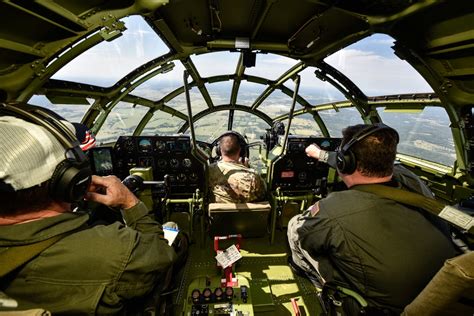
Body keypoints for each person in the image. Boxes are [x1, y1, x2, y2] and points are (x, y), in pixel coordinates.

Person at [0, 111, 177, 314]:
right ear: (69, 181)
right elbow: (161, 254)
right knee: (172, 230)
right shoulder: (114, 249)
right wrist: (129, 202)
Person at [287, 123, 458, 313]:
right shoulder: (412, 180)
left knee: (295, 226)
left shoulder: (332, 212)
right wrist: (321, 155)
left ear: (347, 162)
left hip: (381, 309)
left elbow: (306, 235)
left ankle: (315, 282)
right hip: (440, 298)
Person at [208, 132, 266, 203]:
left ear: (219, 150)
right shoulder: (253, 178)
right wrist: (247, 170)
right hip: (246, 214)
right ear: (240, 150)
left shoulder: (208, 172)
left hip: (215, 214)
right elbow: (264, 195)